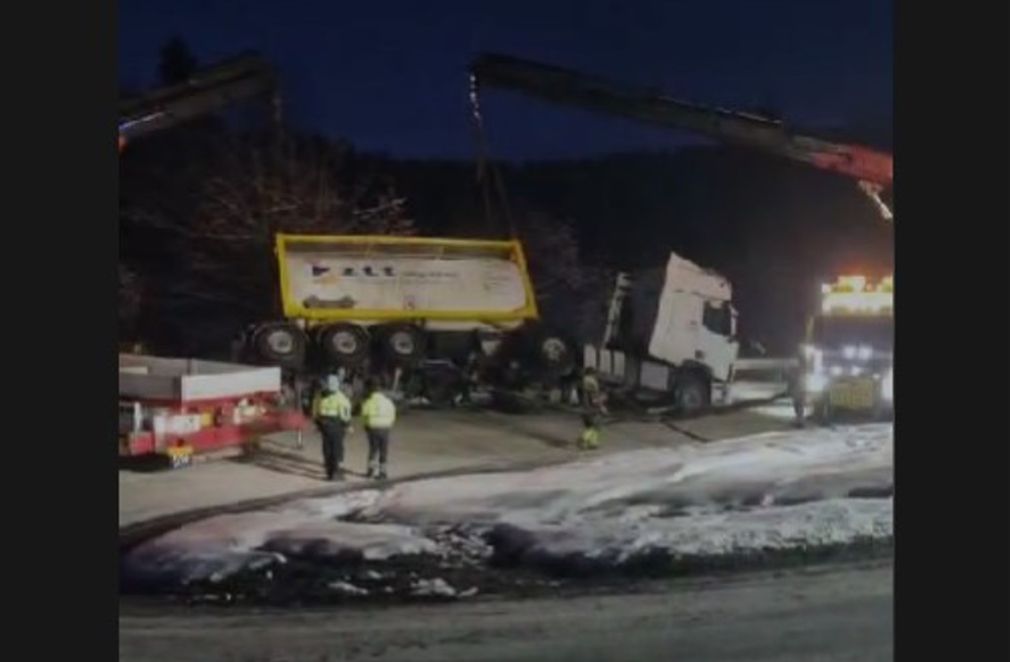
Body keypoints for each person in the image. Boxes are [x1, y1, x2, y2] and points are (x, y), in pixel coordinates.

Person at [312, 377, 352, 481]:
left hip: (324, 424)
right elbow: (345, 413)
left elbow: (315, 410)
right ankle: (335, 472)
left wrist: (317, 423)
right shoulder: (340, 397)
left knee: (327, 447)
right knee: (336, 448)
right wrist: (347, 424)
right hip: (336, 424)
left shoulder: (320, 395)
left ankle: (329, 471)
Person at [360, 377, 397, 479]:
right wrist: (389, 424)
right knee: (383, 451)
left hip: (373, 428)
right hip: (385, 428)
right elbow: (393, 415)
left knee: (373, 450)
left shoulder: (368, 402)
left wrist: (366, 426)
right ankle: (383, 472)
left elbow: (364, 415)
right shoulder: (388, 402)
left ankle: (370, 471)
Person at [577, 367, 607, 450]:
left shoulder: (583, 384)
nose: (596, 376)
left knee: (591, 426)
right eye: (595, 374)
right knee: (595, 426)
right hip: (592, 410)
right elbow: (595, 400)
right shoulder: (592, 386)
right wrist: (602, 404)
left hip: (584, 409)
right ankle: (584, 439)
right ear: (592, 374)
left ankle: (593, 443)